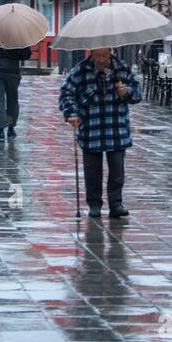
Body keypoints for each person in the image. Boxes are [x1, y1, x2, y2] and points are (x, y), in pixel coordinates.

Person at [59, 46, 142, 219]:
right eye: (97, 55)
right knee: (92, 171)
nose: (101, 60)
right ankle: (94, 204)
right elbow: (66, 93)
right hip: (91, 128)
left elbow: (138, 93)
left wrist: (127, 92)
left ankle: (116, 204)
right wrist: (71, 113)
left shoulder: (122, 68)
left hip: (116, 127)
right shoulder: (80, 70)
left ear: (110, 52)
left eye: (104, 55)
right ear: (91, 53)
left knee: (117, 170)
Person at [0, 39, 32, 143]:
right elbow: (26, 55)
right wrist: (16, 53)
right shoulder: (17, 35)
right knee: (12, 100)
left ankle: (0, 131)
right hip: (13, 71)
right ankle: (11, 129)